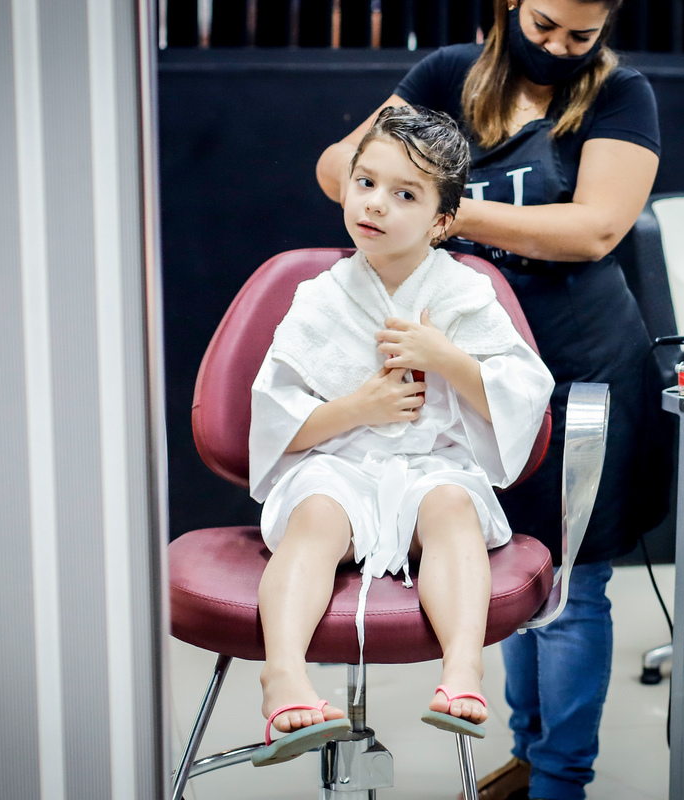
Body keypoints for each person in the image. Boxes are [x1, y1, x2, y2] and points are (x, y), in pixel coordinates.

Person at [316, 2, 669, 798]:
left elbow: (594, 229)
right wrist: (391, 190)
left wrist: (445, 208)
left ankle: (561, 780)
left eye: (581, 36)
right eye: (544, 26)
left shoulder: (621, 94)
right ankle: (526, 755)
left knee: (572, 587)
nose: (559, 48)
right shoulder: (449, 75)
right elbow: (339, 167)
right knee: (504, 565)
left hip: (579, 367)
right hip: (471, 371)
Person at [249, 106, 555, 768]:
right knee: (316, 516)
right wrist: (357, 407)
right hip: (338, 461)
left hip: (431, 465)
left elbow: (523, 394)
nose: (376, 204)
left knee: (451, 509)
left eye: (405, 194)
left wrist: (447, 358)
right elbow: (276, 423)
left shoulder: (465, 293)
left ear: (443, 222)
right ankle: (283, 675)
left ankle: (463, 668)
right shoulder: (320, 298)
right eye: (366, 183)